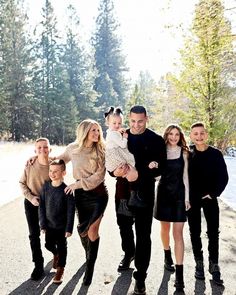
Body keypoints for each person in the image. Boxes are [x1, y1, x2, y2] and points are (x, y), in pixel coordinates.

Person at [112, 105, 166, 295]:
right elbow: (110, 159)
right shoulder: (120, 135)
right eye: (133, 121)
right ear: (129, 118)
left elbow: (160, 168)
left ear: (147, 119)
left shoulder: (156, 140)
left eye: (140, 121)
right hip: (123, 192)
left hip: (144, 194)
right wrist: (114, 172)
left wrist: (139, 174)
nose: (135, 125)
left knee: (143, 235)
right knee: (124, 226)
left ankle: (140, 277)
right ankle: (128, 253)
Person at [60, 119, 108, 286]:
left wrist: (76, 184)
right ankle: (89, 253)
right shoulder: (73, 148)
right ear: (84, 132)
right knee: (83, 231)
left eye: (98, 130)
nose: (96, 133)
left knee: (93, 231)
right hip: (81, 196)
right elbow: (58, 161)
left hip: (99, 194)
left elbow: (99, 176)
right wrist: (37, 159)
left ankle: (90, 269)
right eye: (92, 130)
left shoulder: (101, 149)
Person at [187, 122, 228, 286]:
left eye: (202, 133)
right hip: (193, 199)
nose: (199, 136)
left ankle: (214, 263)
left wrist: (213, 193)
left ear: (207, 134)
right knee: (194, 231)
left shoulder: (216, 154)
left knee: (213, 232)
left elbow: (223, 177)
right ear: (191, 136)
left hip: (210, 198)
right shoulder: (188, 154)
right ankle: (199, 263)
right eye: (195, 134)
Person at [153, 124, 190, 292]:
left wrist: (187, 198)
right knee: (164, 228)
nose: (174, 137)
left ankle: (180, 277)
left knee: (178, 233)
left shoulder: (184, 152)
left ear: (180, 136)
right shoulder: (160, 150)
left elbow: (186, 176)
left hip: (179, 196)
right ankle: (167, 254)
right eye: (171, 134)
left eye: (177, 134)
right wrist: (153, 166)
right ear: (166, 135)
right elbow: (157, 174)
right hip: (163, 194)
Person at [19, 138, 51, 280]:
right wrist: (31, 198)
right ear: (35, 150)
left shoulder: (54, 164)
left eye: (45, 147)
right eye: (39, 147)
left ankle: (56, 252)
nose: (42, 150)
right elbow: (22, 183)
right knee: (34, 235)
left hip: (49, 205)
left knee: (51, 234)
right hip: (32, 203)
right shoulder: (29, 165)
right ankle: (38, 264)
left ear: (49, 149)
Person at [39, 159, 75, 284]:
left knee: (62, 247)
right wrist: (42, 224)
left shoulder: (67, 190)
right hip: (49, 225)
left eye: (56, 171)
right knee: (48, 245)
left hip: (61, 226)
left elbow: (71, 211)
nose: (52, 174)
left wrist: (69, 228)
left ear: (63, 173)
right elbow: (41, 206)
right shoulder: (46, 187)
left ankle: (60, 269)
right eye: (50, 171)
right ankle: (56, 254)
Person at [104, 106, 138, 182]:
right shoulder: (113, 134)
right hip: (115, 153)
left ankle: (128, 175)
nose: (117, 125)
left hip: (114, 152)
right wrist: (125, 138)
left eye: (119, 123)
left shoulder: (111, 132)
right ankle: (128, 175)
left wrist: (119, 132)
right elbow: (122, 145)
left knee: (127, 163)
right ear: (108, 123)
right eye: (114, 123)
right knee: (128, 160)